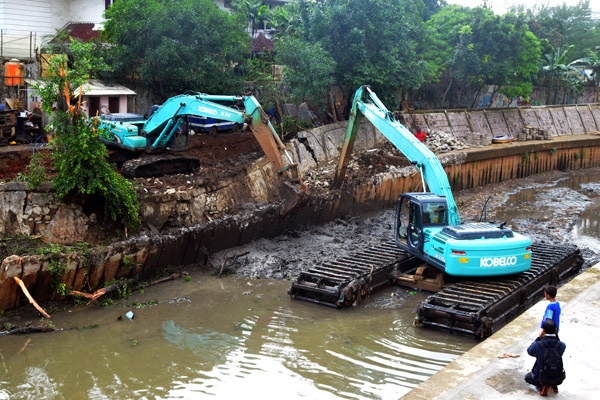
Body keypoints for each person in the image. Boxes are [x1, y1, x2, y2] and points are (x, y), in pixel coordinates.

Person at [525, 319, 566, 396]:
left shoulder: (538, 345)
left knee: (528, 377)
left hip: (541, 376)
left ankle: (543, 386)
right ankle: (553, 385)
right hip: (558, 377)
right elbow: (559, 351)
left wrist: (538, 338)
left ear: (543, 330)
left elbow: (530, 351)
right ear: (555, 330)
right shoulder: (562, 345)